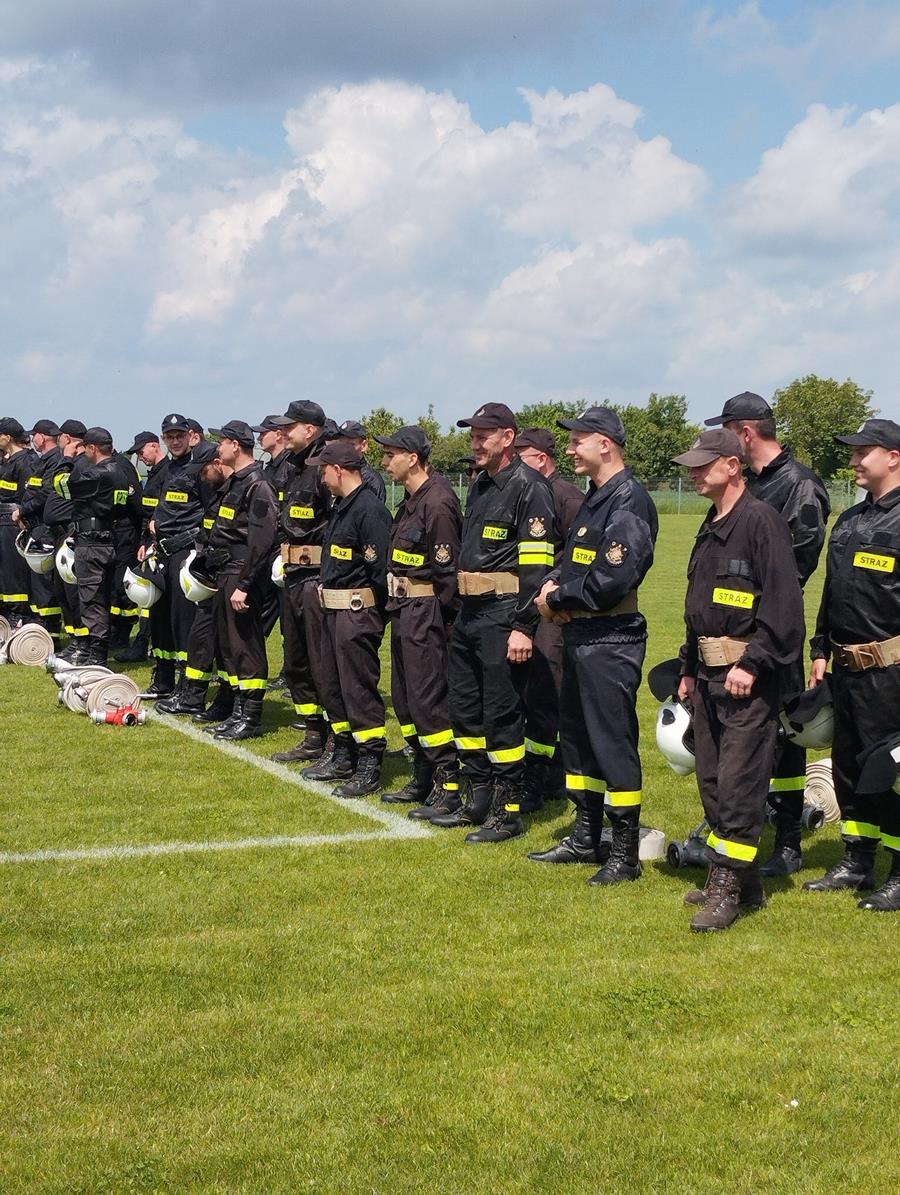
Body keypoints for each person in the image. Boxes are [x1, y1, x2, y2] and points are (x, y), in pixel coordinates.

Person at [672, 429, 805, 932]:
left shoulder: (761, 521)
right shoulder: (711, 523)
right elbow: (698, 608)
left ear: (732, 465)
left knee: (738, 784)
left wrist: (753, 662)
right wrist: (688, 668)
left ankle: (725, 886)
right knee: (711, 780)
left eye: (702, 464)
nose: (693, 472)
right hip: (708, 675)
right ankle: (746, 883)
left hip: (747, 677)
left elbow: (784, 606)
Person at [529, 408, 658, 882]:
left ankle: (623, 853)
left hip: (611, 638)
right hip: (580, 634)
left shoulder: (629, 499)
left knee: (611, 743)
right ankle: (586, 835)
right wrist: (551, 584)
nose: (568, 449)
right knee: (579, 740)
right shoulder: (595, 497)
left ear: (605, 444)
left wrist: (556, 598)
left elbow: (611, 580)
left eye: (577, 440)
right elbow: (574, 561)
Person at [707, 391, 831, 875]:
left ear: (745, 433)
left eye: (725, 432)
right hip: (732, 635)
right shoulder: (749, 484)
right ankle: (740, 829)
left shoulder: (800, 485)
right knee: (739, 740)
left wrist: (758, 623)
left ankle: (788, 840)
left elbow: (794, 569)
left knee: (784, 739)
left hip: (772, 635)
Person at [432, 402, 557, 843]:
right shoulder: (481, 485)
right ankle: (477, 799)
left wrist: (524, 626)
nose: (475, 443)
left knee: (502, 714)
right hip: (470, 614)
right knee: (465, 710)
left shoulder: (530, 487)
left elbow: (537, 566)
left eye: (483, 435)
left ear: (508, 437)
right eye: (472, 435)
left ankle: (508, 811)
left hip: (504, 615)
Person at [805, 418, 900, 910]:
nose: (854, 460)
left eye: (865, 452)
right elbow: (832, 593)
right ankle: (857, 859)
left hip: (891, 672)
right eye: (853, 452)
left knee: (890, 770)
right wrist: (820, 649)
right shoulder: (850, 520)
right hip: (844, 669)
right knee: (848, 766)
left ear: (894, 457)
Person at [374, 426, 462, 814]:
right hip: (404, 610)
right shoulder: (411, 501)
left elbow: (447, 574)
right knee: (406, 700)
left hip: (427, 613)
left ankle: (448, 783)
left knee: (429, 701)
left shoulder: (438, 502)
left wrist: (446, 625)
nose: (384, 462)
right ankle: (423, 774)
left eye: (390, 454)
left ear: (412, 458)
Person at [301, 439, 392, 796]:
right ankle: (343, 753)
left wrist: (370, 617)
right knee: (333, 686)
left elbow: (379, 571)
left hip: (357, 614)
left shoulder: (370, 509)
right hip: (333, 611)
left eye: (324, 471)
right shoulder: (342, 506)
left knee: (358, 689)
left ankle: (369, 762)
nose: (321, 478)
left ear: (339, 470)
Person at [514, 427, 585, 810]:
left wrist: (558, 596)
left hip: (553, 612)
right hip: (528, 606)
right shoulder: (526, 490)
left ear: (541, 459)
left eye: (521, 455)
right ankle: (548, 773)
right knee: (530, 691)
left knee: (545, 692)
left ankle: (541, 779)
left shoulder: (566, 496)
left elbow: (579, 556)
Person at [201, 421, 278, 740]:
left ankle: (251, 716)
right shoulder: (235, 481)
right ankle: (236, 711)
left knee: (246, 645)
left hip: (241, 571)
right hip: (225, 570)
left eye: (222, 442)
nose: (218, 448)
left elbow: (261, 541)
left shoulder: (258, 484)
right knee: (229, 646)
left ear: (236, 445)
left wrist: (245, 584)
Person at [267, 400, 334, 764]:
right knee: (295, 661)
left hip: (316, 578)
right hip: (292, 576)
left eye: (289, 426)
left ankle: (336, 738)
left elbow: (337, 526)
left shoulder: (326, 465)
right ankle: (312, 733)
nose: (282, 432)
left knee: (322, 662)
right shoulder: (292, 466)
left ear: (310, 429)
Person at [143, 413, 205, 698]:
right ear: (163, 439)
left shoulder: (199, 469)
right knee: (159, 616)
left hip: (186, 550)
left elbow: (209, 510)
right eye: (170, 437)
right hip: (162, 551)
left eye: (180, 435)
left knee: (183, 619)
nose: (176, 441)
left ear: (190, 436)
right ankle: (164, 677)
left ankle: (186, 680)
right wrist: (149, 534)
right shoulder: (164, 470)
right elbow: (155, 507)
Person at [69, 427, 140, 665]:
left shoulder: (98, 474)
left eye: (84, 449)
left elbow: (63, 486)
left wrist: (67, 459)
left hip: (92, 542)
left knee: (91, 599)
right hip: (109, 539)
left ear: (92, 448)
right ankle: (97, 653)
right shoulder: (120, 472)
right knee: (101, 597)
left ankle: (97, 658)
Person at [115, 431, 166, 662]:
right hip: (149, 542)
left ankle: (146, 643)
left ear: (154, 445)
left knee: (155, 597)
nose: (140, 456)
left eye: (141, 450)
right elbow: (146, 513)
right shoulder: (153, 473)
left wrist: (152, 541)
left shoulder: (168, 472)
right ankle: (143, 642)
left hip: (163, 542)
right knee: (148, 597)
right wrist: (144, 542)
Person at [41, 419, 89, 655]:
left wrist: (67, 458)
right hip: (60, 534)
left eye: (60, 436)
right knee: (63, 593)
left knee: (74, 594)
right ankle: (74, 640)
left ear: (67, 438)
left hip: (73, 534)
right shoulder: (70, 463)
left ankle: (83, 642)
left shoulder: (80, 464)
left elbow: (65, 488)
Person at [15, 419, 64, 632]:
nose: (32, 439)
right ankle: (39, 622)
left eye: (34, 435)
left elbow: (45, 494)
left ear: (42, 437)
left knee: (44, 582)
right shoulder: (45, 460)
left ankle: (49, 629)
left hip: (46, 528)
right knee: (37, 581)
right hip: (36, 527)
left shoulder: (55, 461)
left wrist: (23, 510)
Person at [0, 417, 36, 626]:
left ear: (7, 437)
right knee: (4, 573)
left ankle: (19, 613)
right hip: (3, 521)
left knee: (14, 571)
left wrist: (23, 517)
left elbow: (29, 495)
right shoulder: (7, 462)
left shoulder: (25, 462)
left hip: (13, 523)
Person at [334, 421, 387, 502]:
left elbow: (375, 509)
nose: (344, 449)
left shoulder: (371, 480)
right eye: (341, 445)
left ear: (364, 446)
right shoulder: (333, 473)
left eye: (350, 445)